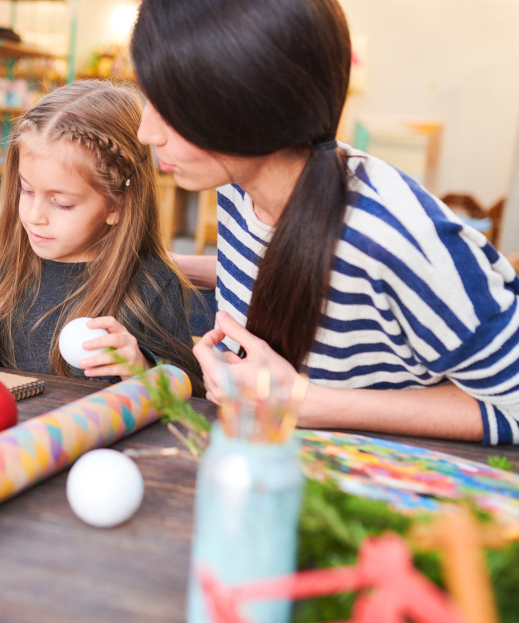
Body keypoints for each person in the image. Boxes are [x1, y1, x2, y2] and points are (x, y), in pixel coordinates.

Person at [132, 0, 519, 444]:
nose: (146, 131)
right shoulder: (238, 183)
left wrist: (304, 401)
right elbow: (290, 268)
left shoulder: (391, 237)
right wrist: (169, 266)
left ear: (251, 108)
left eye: (169, 105)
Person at [0, 81, 202, 392]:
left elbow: (192, 393)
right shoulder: (15, 266)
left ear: (117, 204)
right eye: (26, 190)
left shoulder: (153, 284)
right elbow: (7, 367)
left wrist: (142, 370)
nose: (34, 216)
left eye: (61, 203)